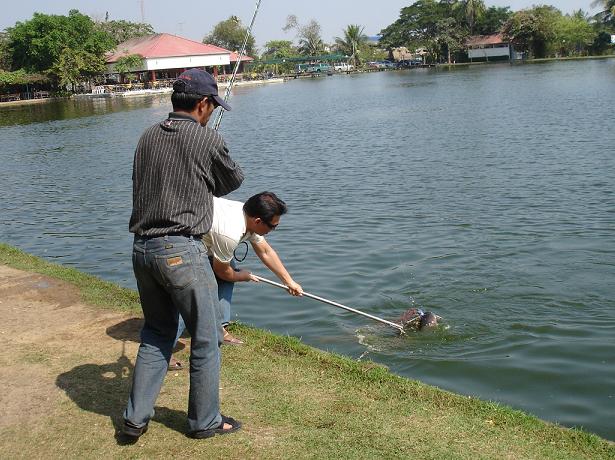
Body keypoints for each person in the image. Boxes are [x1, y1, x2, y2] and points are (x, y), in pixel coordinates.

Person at [122, 68, 244, 440]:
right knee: (206, 338)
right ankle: (204, 421)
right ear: (204, 104)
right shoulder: (207, 139)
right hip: (181, 251)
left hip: (142, 250)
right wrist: (211, 141)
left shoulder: (146, 136)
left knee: (157, 332)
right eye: (212, 105)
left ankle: (134, 419)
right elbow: (232, 182)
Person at [172, 192, 303, 352]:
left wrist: (289, 282)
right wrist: (243, 276)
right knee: (194, 295)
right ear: (258, 221)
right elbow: (223, 272)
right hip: (180, 245)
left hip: (207, 241)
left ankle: (218, 327)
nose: (273, 230)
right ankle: (164, 347)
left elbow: (265, 251)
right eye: (273, 226)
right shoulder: (230, 232)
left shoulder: (249, 216)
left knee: (228, 270)